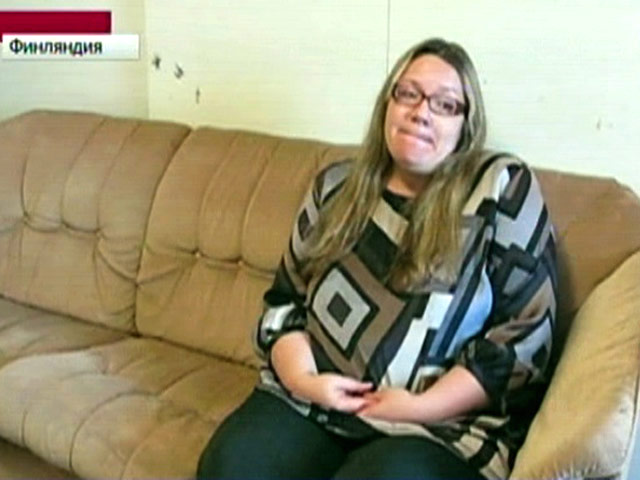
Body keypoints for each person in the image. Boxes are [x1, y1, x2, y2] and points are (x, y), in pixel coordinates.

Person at [197, 37, 557, 480]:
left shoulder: (500, 188)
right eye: (408, 94)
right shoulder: (335, 187)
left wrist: (419, 406)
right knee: (231, 466)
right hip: (316, 402)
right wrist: (306, 382)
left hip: (437, 428)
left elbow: (523, 341)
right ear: (387, 104)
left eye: (445, 104)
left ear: (466, 125)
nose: (421, 112)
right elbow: (285, 305)